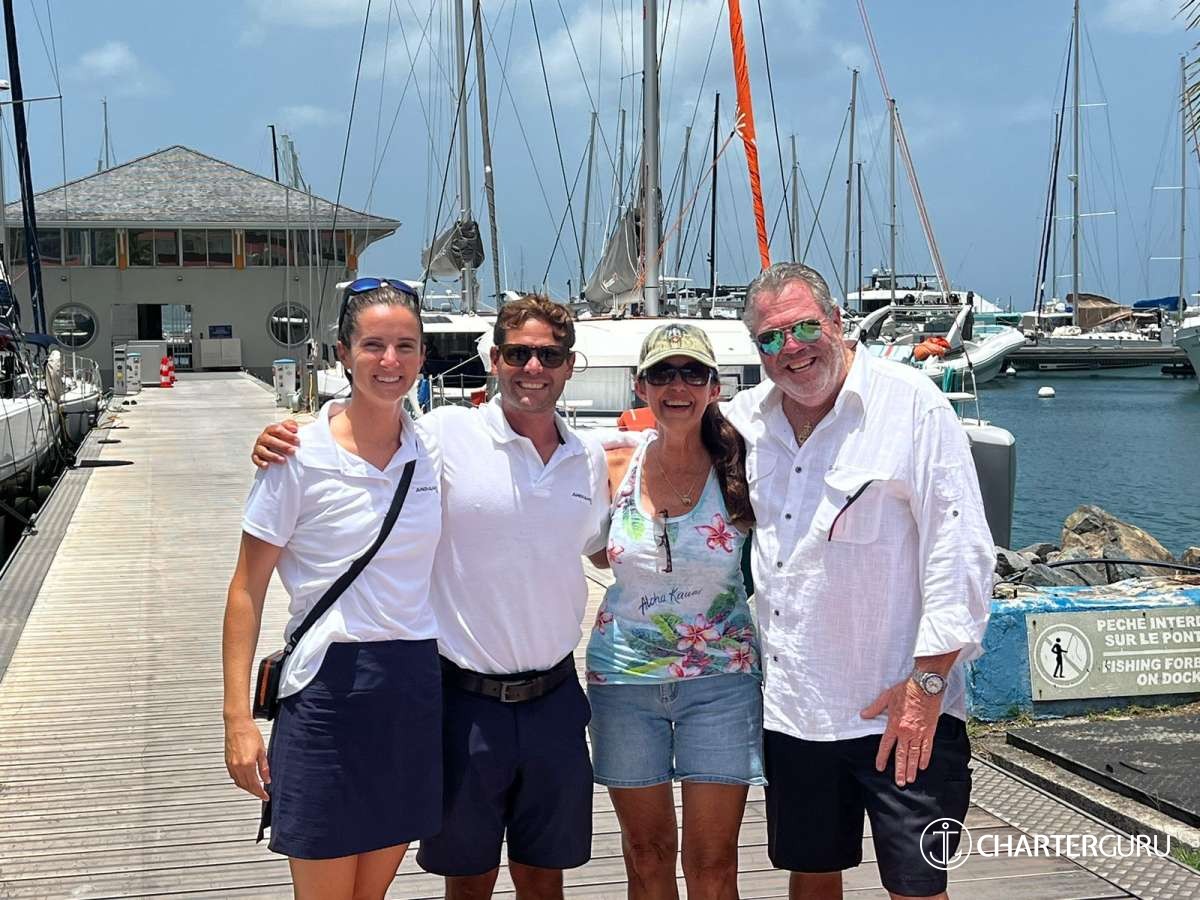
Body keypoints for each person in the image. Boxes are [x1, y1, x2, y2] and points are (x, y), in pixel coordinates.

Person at [251, 294, 609, 900]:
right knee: (466, 881)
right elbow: (368, 428)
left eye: (549, 356)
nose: (533, 368)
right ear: (494, 360)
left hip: (555, 699)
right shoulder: (443, 435)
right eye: (518, 354)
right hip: (462, 700)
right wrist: (284, 441)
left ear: (570, 365)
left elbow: (605, 545)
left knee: (546, 880)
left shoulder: (589, 458)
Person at [723, 262, 994, 900]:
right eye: (770, 338)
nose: (791, 348)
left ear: (837, 322)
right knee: (812, 876)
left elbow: (959, 551)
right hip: (796, 713)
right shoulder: (744, 420)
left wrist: (928, 685)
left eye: (803, 328)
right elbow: (665, 447)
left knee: (918, 887)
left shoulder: (911, 404)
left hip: (903, 708)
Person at [223, 279, 444, 900]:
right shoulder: (297, 454)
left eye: (405, 346)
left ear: (423, 356)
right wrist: (237, 719)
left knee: (370, 894)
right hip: (325, 688)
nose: (390, 360)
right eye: (373, 345)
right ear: (343, 353)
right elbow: (246, 590)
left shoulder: (433, 450)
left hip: (412, 685)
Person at [586, 323, 763, 900]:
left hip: (722, 682)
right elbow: (586, 545)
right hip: (623, 681)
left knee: (713, 863)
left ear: (715, 386)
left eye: (692, 373)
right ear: (641, 387)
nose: (677, 386)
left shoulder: (743, 467)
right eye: (662, 373)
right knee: (647, 855)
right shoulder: (614, 465)